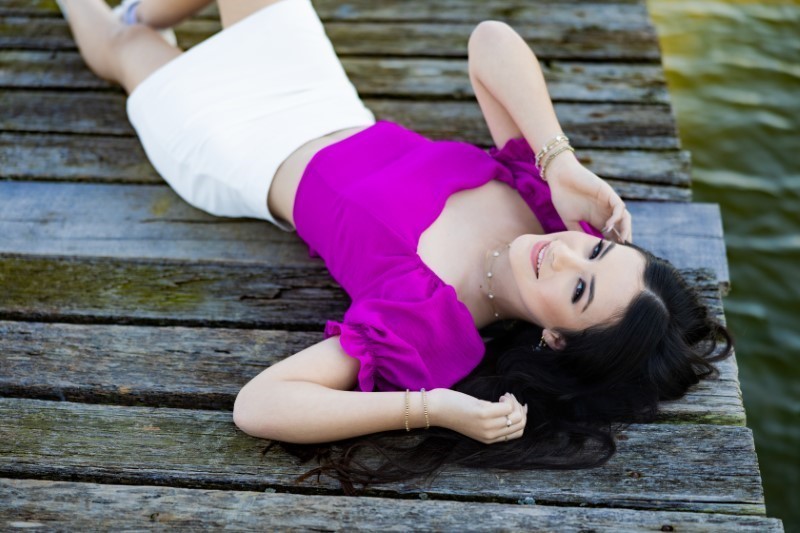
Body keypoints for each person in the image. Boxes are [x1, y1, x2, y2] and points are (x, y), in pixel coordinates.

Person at [57, 0, 731, 486]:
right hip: (320, 97)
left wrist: (430, 407)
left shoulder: (432, 325)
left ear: (556, 339)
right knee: (154, 20)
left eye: (579, 288)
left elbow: (256, 405)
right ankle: (143, 11)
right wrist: (559, 161)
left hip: (237, 149)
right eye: (597, 252)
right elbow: (490, 41)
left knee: (123, 45)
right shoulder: (542, 204)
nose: (564, 253)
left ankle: (115, 20)